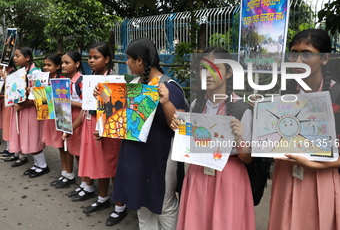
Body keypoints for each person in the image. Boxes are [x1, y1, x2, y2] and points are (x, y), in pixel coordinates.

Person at [171, 48, 255, 230]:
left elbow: (247, 159)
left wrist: (239, 138)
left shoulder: (242, 109)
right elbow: (190, 144)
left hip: (229, 178)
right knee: (197, 221)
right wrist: (179, 129)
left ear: (229, 72)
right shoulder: (196, 104)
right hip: (198, 173)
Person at [267, 29, 340, 230]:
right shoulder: (285, 92)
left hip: (321, 178)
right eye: (293, 53)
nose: (297, 60)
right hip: (285, 174)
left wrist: (313, 165)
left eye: (307, 53)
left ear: (325, 58)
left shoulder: (337, 95)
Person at [111, 38, 186, 229]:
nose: (126, 62)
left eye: (129, 58)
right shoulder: (134, 84)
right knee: (141, 204)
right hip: (135, 155)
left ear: (140, 60)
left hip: (159, 157)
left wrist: (166, 102)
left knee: (164, 205)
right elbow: (124, 118)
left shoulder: (169, 87)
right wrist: (104, 102)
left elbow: (181, 127)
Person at [64, 43, 125, 225]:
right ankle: (102, 199)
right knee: (100, 166)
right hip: (91, 127)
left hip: (108, 131)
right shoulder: (90, 78)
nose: (91, 61)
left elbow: (117, 112)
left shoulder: (114, 79)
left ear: (107, 59)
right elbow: (85, 109)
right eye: (89, 57)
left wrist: (104, 128)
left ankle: (120, 207)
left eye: (96, 57)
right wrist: (71, 128)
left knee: (112, 167)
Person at [9, 47, 49, 178]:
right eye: (14, 56)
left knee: (33, 136)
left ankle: (43, 165)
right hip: (24, 109)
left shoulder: (35, 72)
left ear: (27, 57)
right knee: (27, 136)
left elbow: (39, 96)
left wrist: (22, 106)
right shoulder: (22, 71)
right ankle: (37, 164)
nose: (14, 58)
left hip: (31, 110)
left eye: (17, 55)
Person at [51, 51, 83, 189]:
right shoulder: (66, 80)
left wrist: (69, 102)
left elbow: (87, 105)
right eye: (62, 62)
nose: (63, 65)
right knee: (71, 149)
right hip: (66, 117)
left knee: (80, 152)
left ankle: (86, 184)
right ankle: (70, 175)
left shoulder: (80, 82)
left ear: (77, 64)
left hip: (78, 120)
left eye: (67, 62)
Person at [40, 53, 71, 188]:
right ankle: (64, 172)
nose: (46, 67)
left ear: (57, 66)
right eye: (44, 65)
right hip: (50, 117)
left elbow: (64, 100)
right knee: (59, 146)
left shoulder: (62, 80)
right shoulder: (42, 79)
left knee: (65, 146)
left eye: (49, 65)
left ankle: (69, 174)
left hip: (62, 117)